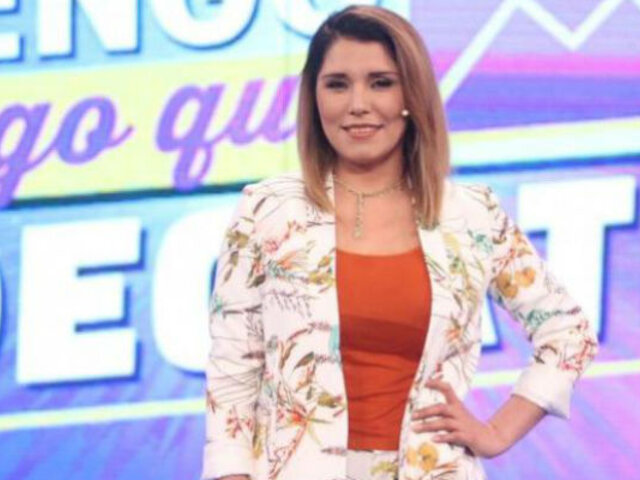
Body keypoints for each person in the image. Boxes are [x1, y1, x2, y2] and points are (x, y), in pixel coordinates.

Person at [201, 6, 598, 480]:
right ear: (314, 98)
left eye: (381, 83)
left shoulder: (471, 215)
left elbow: (567, 331)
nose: (358, 104)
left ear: (412, 93)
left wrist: (496, 432)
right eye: (337, 84)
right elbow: (233, 375)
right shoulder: (267, 210)